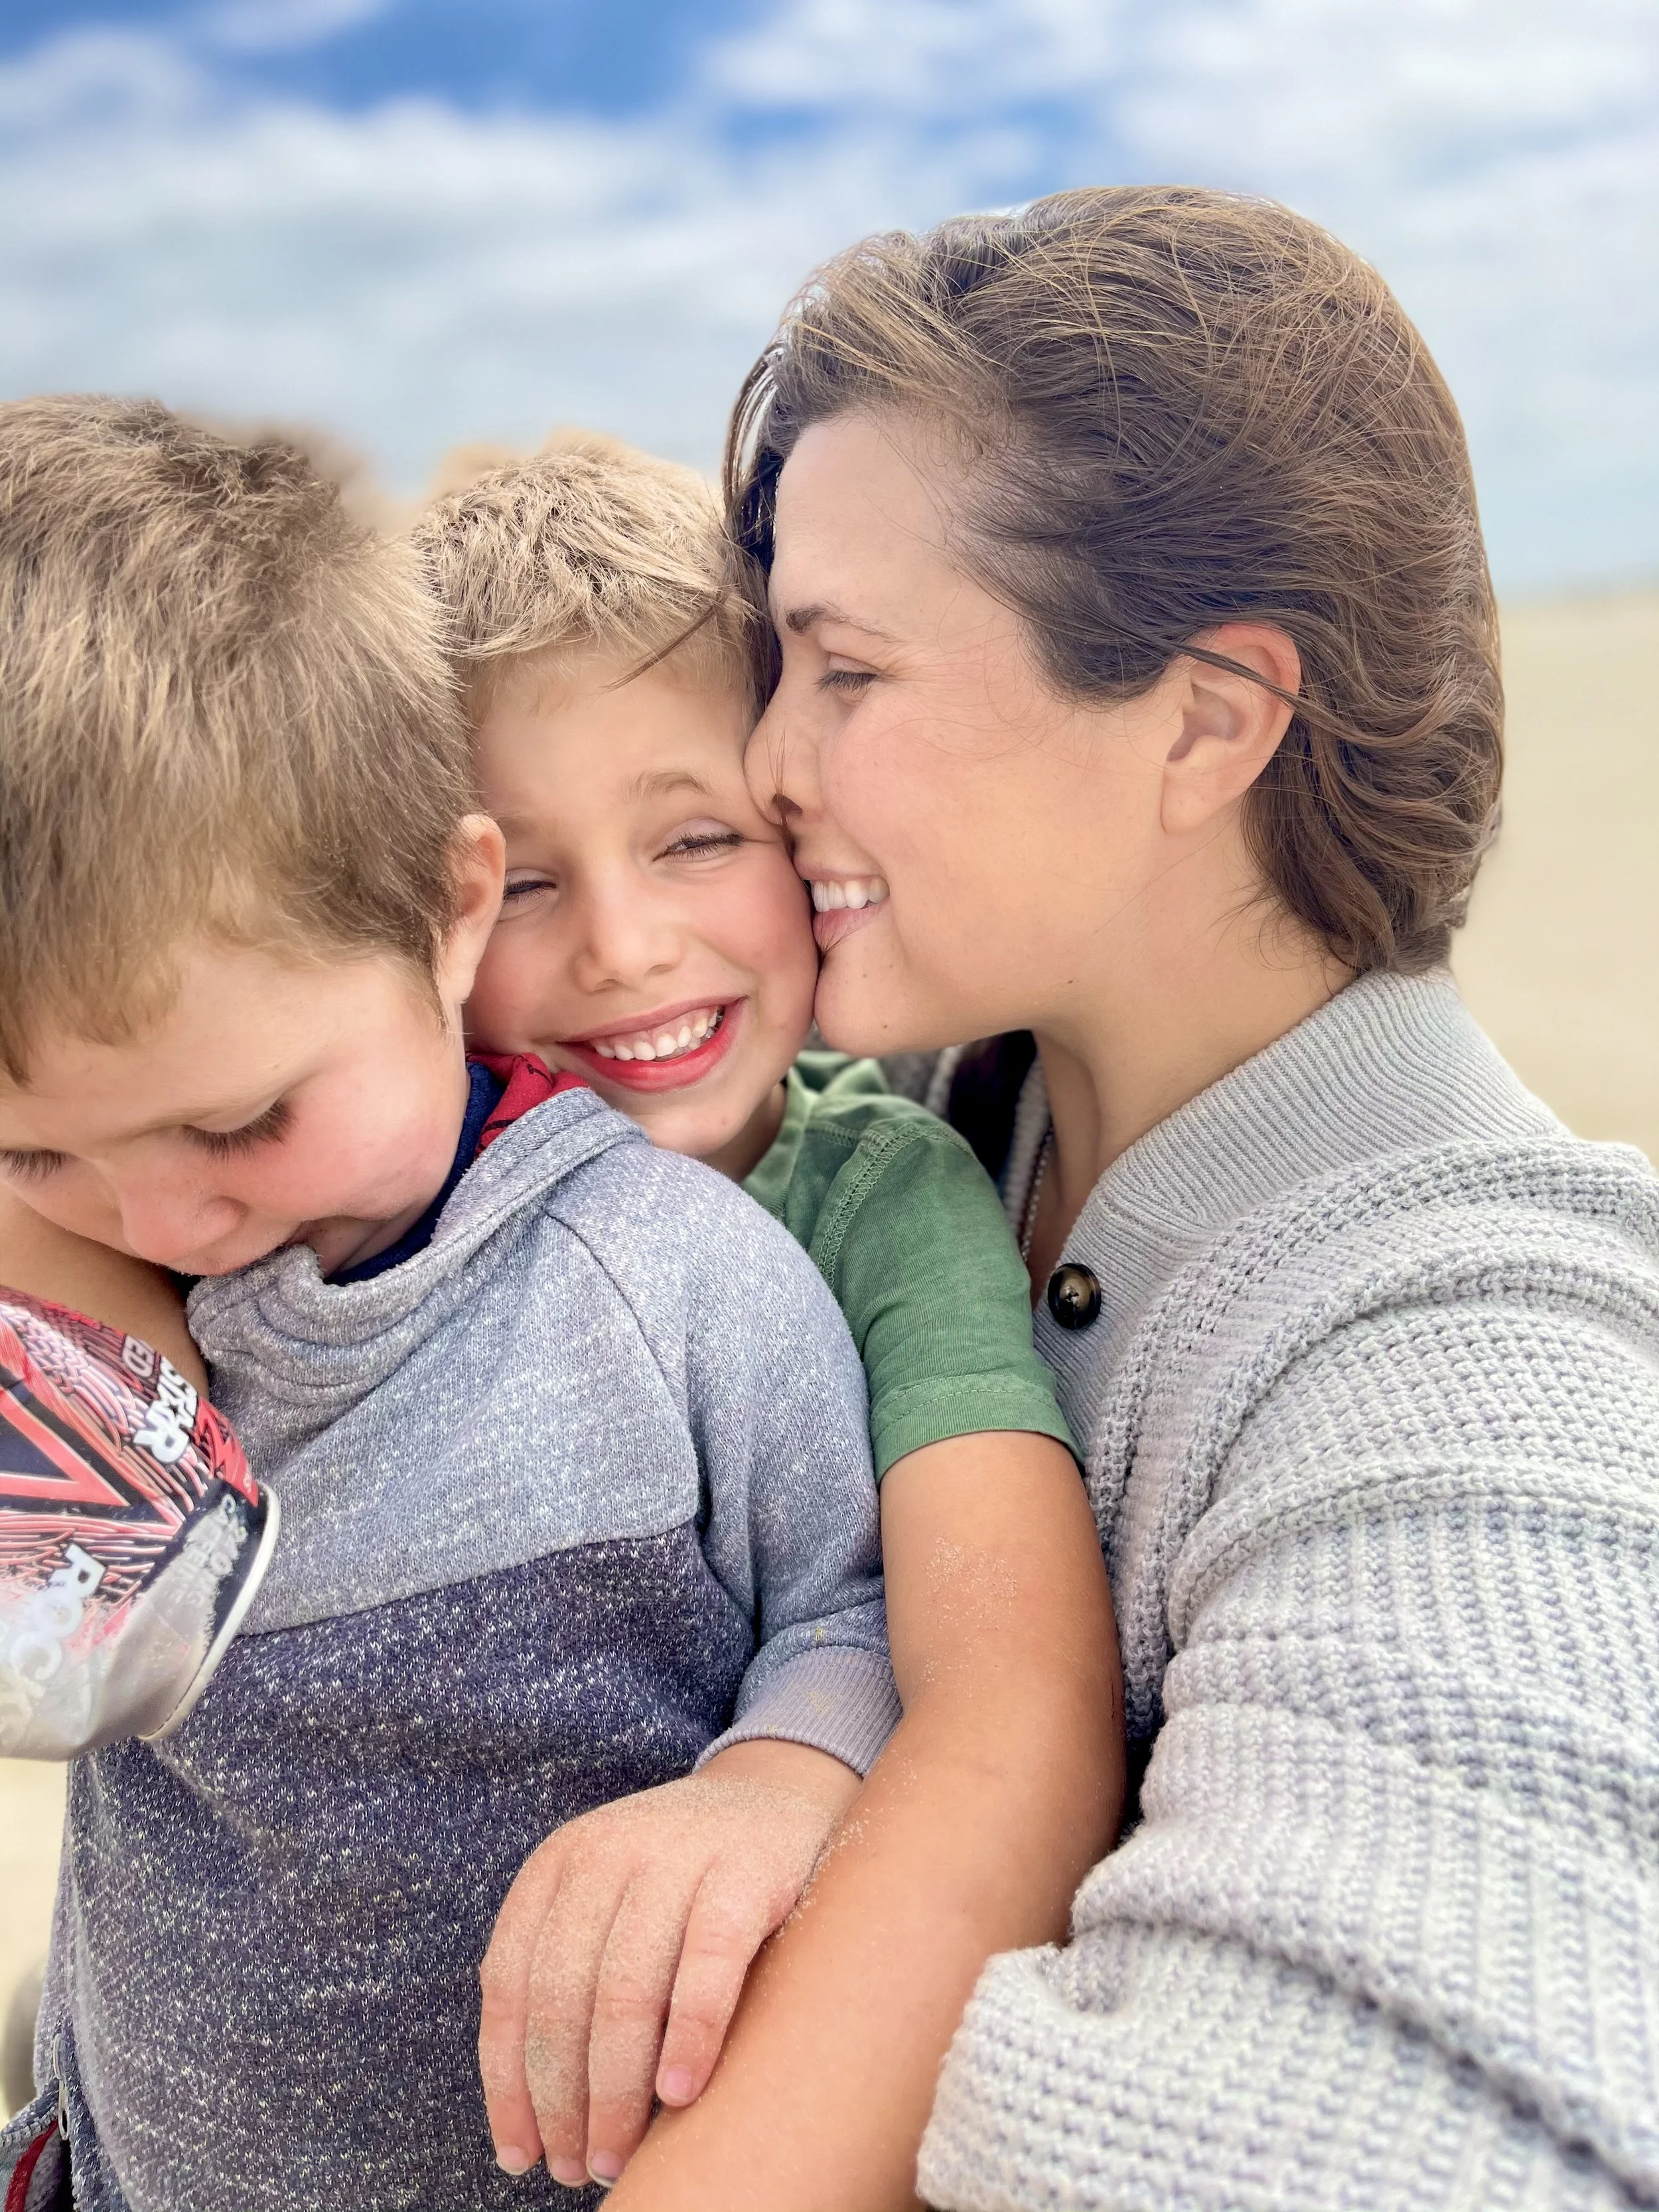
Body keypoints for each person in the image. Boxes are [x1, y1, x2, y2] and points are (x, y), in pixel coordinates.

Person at [603, 186, 1659, 2210]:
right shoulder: (884, 1116)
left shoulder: (1489, 1370)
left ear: (1206, 718)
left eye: (841, 672)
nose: (762, 760)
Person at [0, 398, 899, 2211]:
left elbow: (859, 1600)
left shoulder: (673, 1281)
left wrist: (767, 1789)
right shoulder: (99, 1316)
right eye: (41, 1162)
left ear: (445, 910)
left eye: (246, 1118)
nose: (167, 1212)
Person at [410, 435, 1123, 2187]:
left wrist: (780, 1782)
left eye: (695, 837)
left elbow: (1003, 1659)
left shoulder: (878, 1195)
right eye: (524, 881)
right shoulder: (365, 1184)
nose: (630, 945)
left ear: (798, 828)